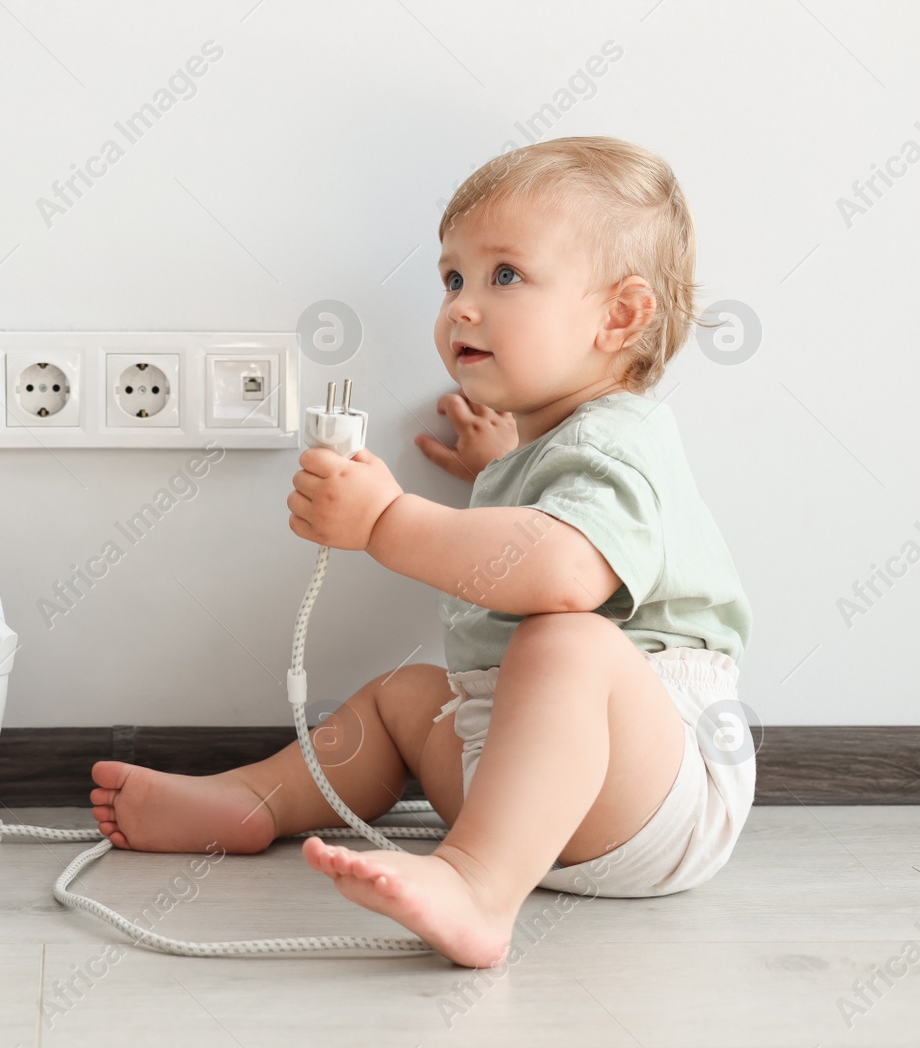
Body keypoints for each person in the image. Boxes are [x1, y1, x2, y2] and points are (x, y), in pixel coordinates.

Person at [88, 135, 755, 968]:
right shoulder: (547, 452)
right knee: (402, 698)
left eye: (504, 275)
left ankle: (477, 885)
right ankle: (254, 796)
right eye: (452, 278)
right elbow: (548, 516)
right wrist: (499, 466)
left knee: (567, 637)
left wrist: (385, 523)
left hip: (658, 793)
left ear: (618, 315)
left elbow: (565, 567)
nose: (462, 306)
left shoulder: (627, 440)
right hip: (518, 767)